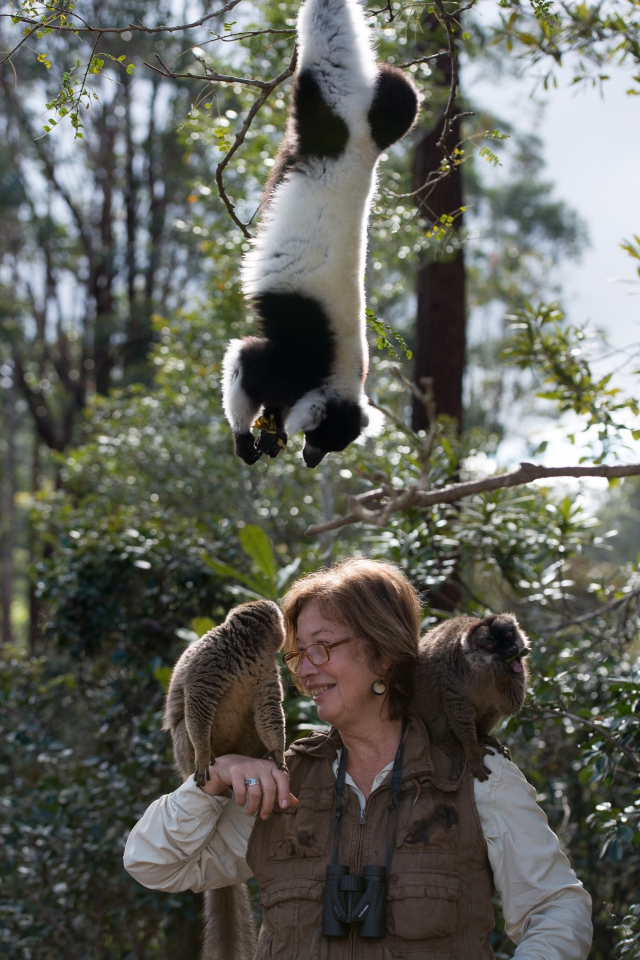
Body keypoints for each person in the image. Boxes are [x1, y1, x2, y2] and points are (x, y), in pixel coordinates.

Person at [124, 558, 593, 959]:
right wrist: (213, 778)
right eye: (297, 654)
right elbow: (153, 863)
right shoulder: (288, 782)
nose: (307, 670)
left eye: (323, 647)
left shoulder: (475, 778)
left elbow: (555, 908)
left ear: (384, 653)